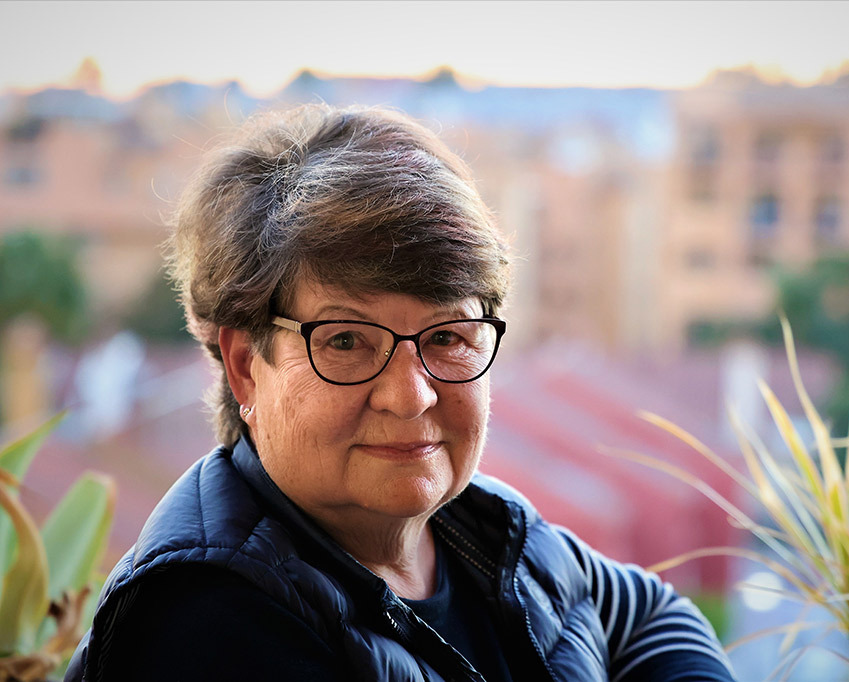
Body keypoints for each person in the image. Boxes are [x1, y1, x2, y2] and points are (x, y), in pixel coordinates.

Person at [66, 104, 736, 681]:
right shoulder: (206, 616)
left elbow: (653, 614)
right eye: (346, 341)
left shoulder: (486, 530)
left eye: (447, 337)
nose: (411, 396)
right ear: (245, 366)